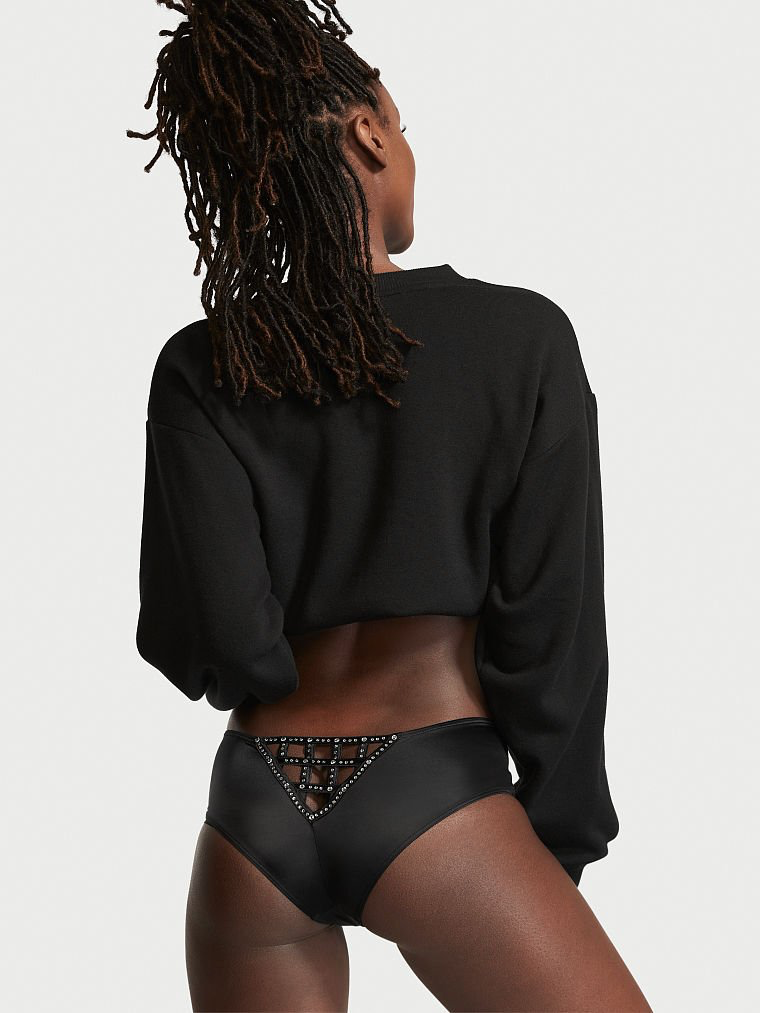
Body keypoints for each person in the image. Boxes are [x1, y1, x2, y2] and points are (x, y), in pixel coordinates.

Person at [130, 2, 652, 1010]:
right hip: (433, 785)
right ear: (369, 131)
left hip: (252, 808)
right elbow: (551, 628)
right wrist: (557, 840)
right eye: (401, 127)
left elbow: (204, 634)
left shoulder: (203, 364)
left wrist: (276, 678)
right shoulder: (521, 339)